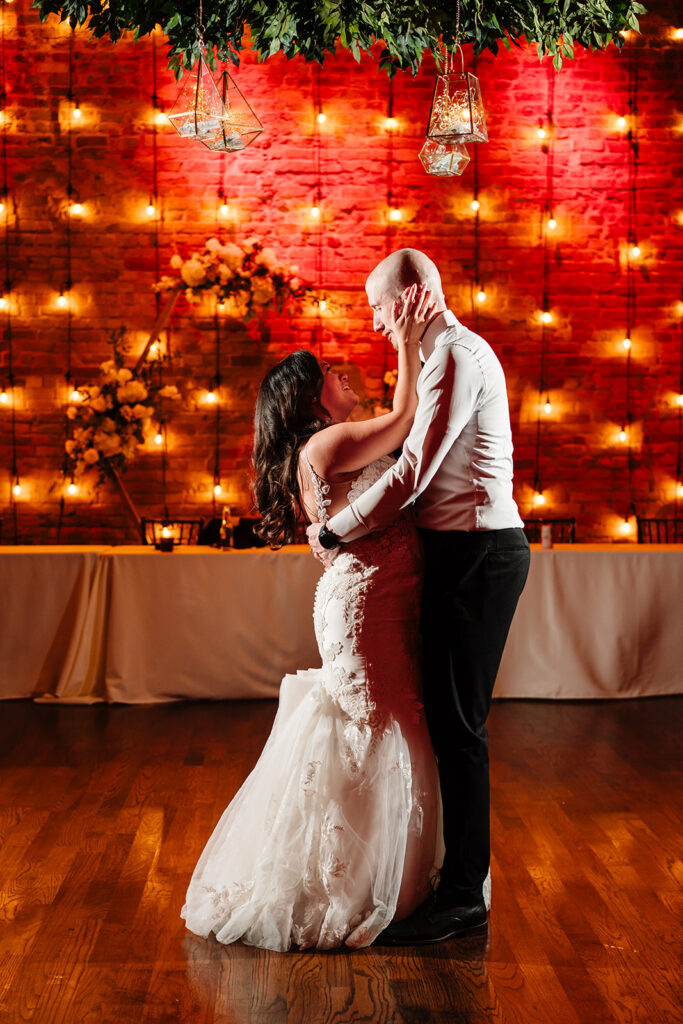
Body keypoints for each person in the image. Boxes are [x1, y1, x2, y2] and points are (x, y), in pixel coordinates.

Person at [182, 285, 443, 951]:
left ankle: (369, 870)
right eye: (330, 372)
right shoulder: (327, 442)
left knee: (381, 723)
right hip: (365, 608)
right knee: (386, 725)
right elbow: (409, 420)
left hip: (368, 600)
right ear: (309, 398)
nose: (343, 373)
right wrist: (409, 343)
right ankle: (361, 881)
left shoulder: (329, 444)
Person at [308, 249, 530, 945]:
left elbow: (413, 473)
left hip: (478, 556)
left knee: (459, 729)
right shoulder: (437, 356)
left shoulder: (458, 357)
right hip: (457, 555)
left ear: (411, 298)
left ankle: (464, 895)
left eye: (378, 308)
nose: (375, 325)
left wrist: (332, 530)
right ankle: (450, 879)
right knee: (445, 723)